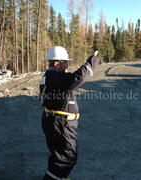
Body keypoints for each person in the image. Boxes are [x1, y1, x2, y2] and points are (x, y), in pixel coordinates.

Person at [39, 46, 99, 180]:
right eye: (65, 63)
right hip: (60, 123)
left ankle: (56, 177)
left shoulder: (51, 77)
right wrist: (92, 60)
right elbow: (78, 78)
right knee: (66, 158)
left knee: (59, 156)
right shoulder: (54, 77)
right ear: (56, 63)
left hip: (57, 121)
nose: (67, 66)